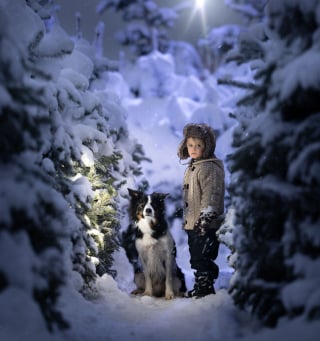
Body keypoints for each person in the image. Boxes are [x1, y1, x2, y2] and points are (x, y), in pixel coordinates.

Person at [177, 123, 225, 298]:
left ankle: (205, 288)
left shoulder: (209, 167)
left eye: (198, 145)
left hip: (206, 224)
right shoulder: (194, 166)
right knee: (196, 257)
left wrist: (206, 217)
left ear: (207, 146)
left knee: (203, 257)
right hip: (194, 224)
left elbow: (211, 194)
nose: (193, 149)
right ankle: (201, 285)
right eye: (190, 145)